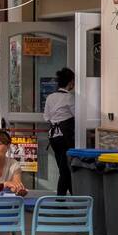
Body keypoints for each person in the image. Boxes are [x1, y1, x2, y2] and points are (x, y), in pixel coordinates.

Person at [44, 67, 75, 195]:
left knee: (63, 168)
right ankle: (61, 200)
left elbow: (46, 117)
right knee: (66, 170)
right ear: (71, 82)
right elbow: (77, 116)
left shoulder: (50, 97)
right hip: (66, 136)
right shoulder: (70, 98)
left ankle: (70, 198)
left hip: (53, 137)